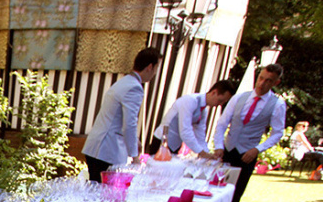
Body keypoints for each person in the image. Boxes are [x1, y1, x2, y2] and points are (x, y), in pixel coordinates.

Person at [212, 63, 286, 202]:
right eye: (261, 78)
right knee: (215, 190)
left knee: (235, 193)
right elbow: (222, 124)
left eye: (268, 81)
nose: (262, 83)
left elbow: (277, 133)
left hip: (247, 155)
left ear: (276, 83)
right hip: (227, 151)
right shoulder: (239, 98)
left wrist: (257, 149)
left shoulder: (277, 104)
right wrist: (219, 146)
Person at [82, 47, 162, 182]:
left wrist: (135, 141)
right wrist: (135, 157)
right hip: (106, 150)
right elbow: (129, 124)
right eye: (156, 68)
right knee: (104, 192)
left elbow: (118, 118)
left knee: (95, 189)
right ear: (150, 67)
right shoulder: (134, 87)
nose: (155, 73)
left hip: (97, 146)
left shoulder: (124, 82)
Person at [149, 80, 235, 158]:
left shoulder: (203, 110)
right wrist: (202, 153)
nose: (220, 104)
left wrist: (207, 154)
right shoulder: (190, 101)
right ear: (214, 92)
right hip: (161, 141)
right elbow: (185, 131)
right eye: (220, 100)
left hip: (175, 145)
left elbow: (200, 135)